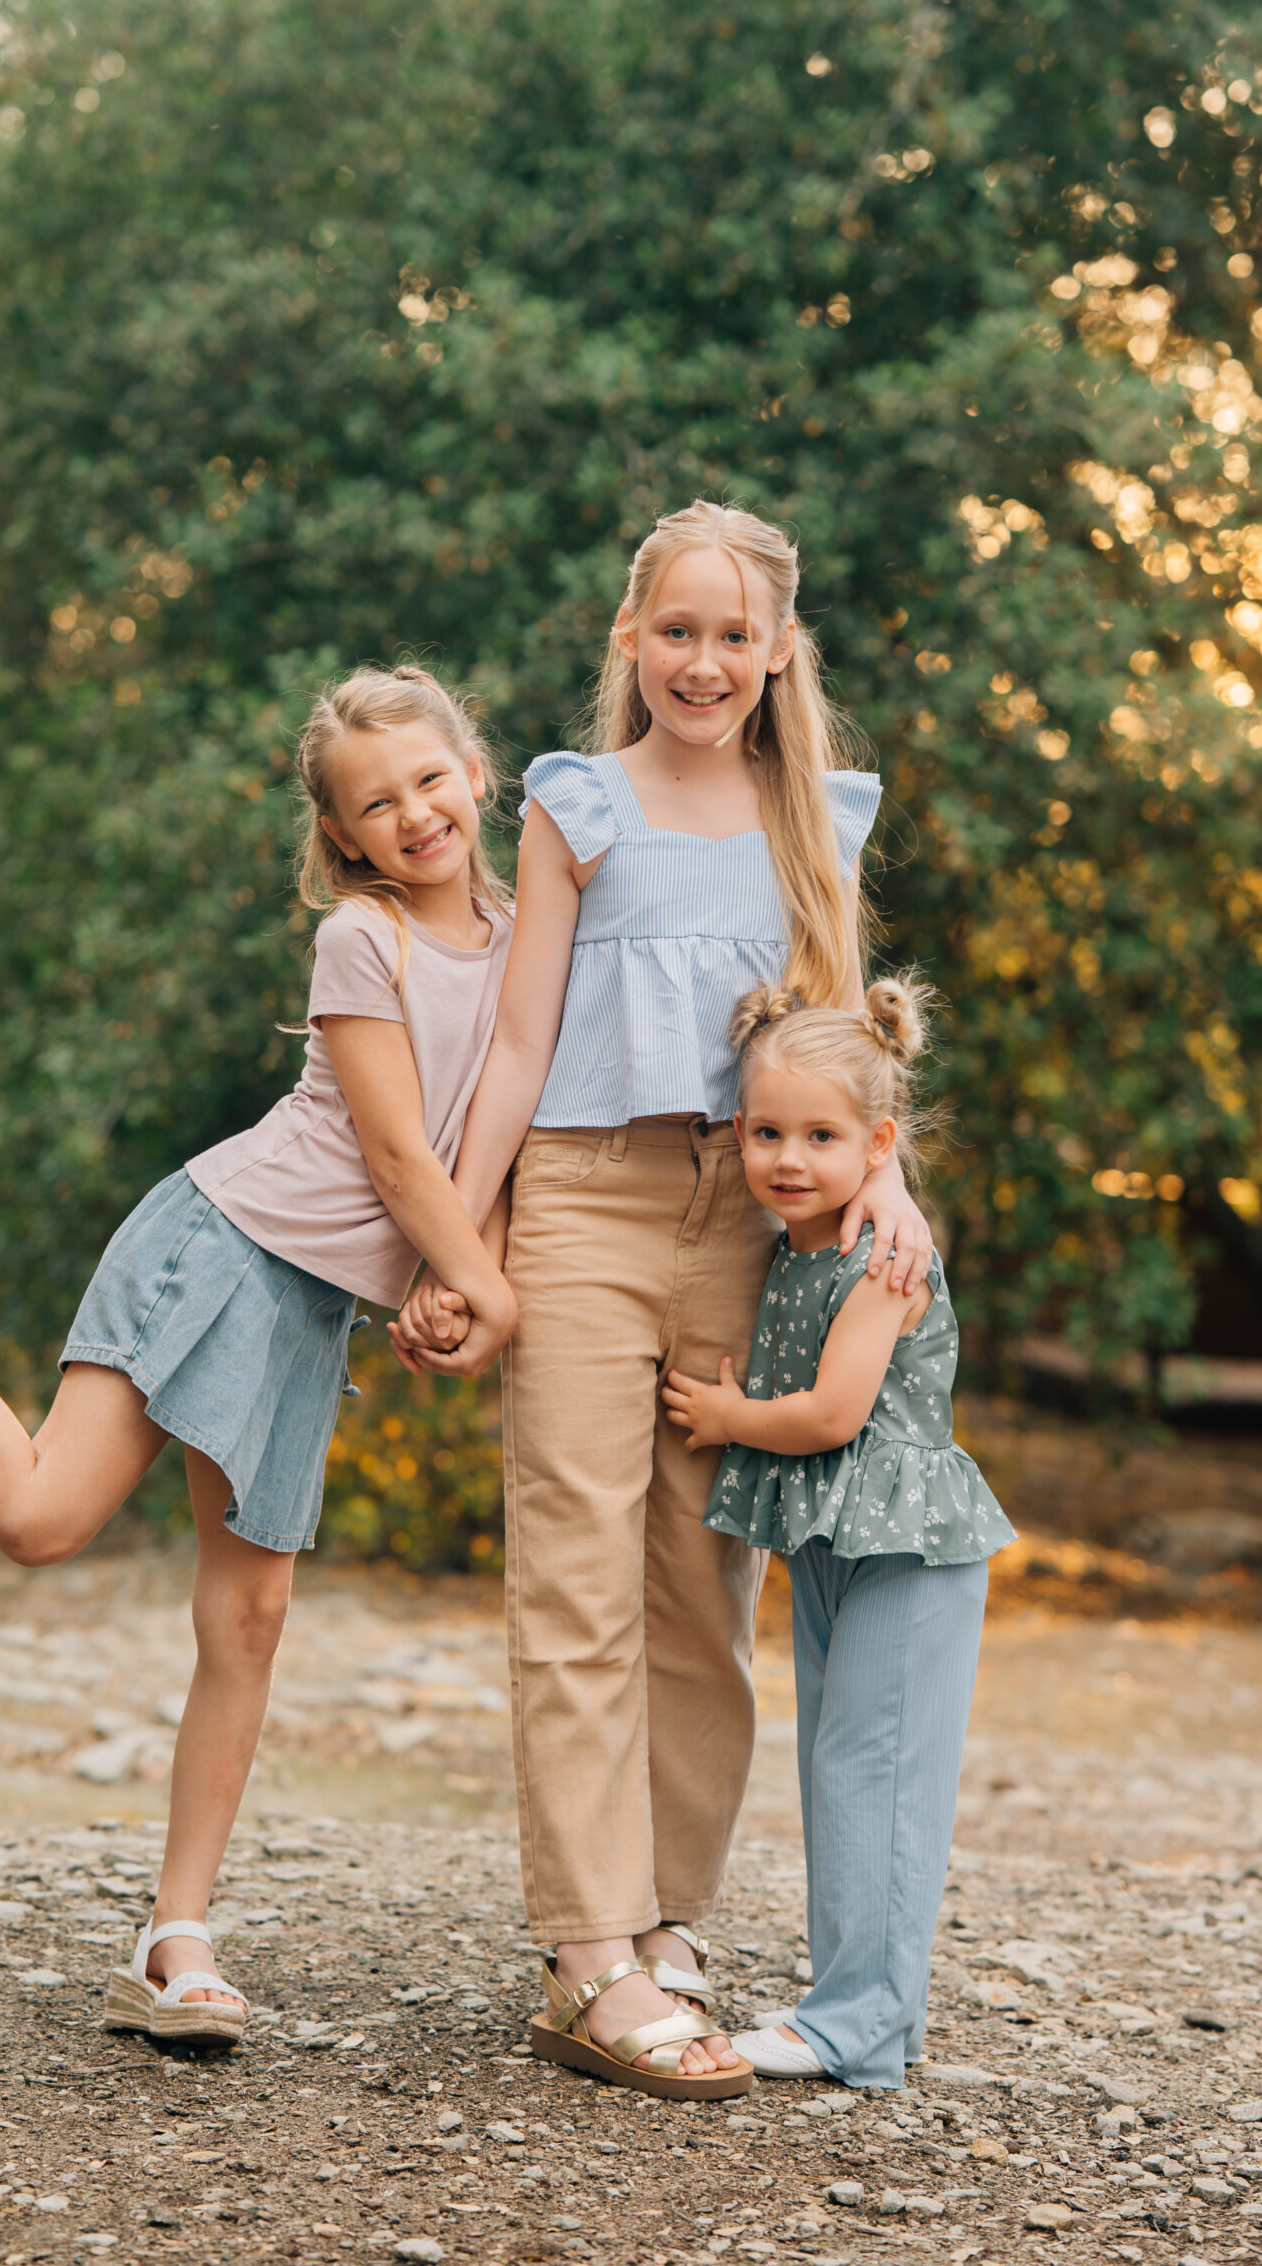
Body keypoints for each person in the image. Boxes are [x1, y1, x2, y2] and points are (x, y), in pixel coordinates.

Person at [0, 665, 514, 2048]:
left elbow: (477, 1144)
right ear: (341, 839)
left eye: (430, 780)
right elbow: (393, 1151)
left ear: (476, 771)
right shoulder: (362, 942)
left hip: (312, 1308)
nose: (413, 815)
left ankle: (173, 1938)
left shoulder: (521, 942)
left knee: (249, 1624)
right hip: (220, 1249)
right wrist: (466, 1277)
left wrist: (445, 1288)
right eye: (375, 805)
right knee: (37, 1517)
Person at [391, 500, 933, 2098]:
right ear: (629, 642)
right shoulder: (577, 806)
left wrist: (882, 1179)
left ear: (776, 655)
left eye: (732, 636)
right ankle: (584, 1956)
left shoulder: (809, 818)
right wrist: (464, 1244)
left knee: (703, 1590)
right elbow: (512, 1038)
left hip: (746, 1223)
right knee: (572, 1569)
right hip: (577, 1198)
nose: (703, 661)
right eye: (674, 631)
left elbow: (839, 1039)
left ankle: (668, 1927)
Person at [664, 980, 1014, 2085]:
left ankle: (854, 2018)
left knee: (876, 1767)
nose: (788, 1157)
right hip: (833, 1537)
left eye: (819, 1136)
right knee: (836, 1765)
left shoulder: (881, 1258)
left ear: (877, 1144)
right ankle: (869, 2012)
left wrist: (724, 1419)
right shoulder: (793, 1247)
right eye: (766, 1132)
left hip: (905, 1550)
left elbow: (831, 1414)